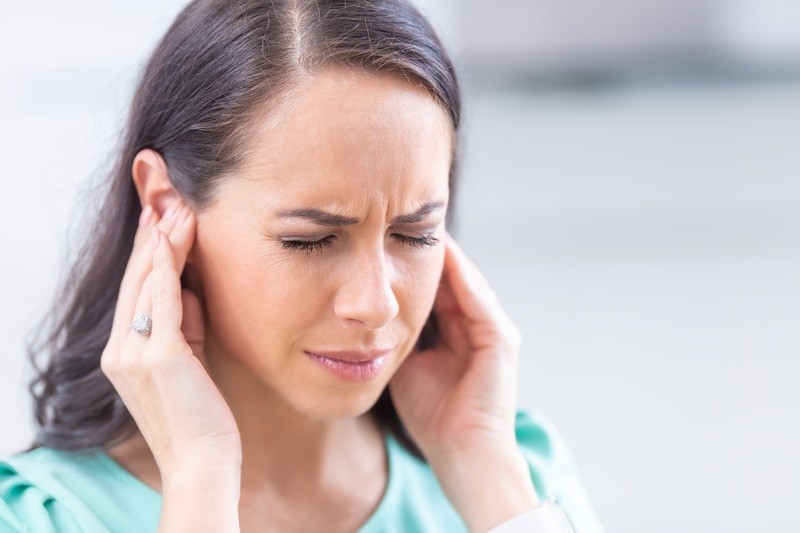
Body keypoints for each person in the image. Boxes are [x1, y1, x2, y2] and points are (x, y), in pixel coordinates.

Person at [0, 0, 604, 531]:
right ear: (165, 206)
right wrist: (199, 477)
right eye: (310, 240)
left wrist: (479, 461)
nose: (377, 305)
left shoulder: (520, 476)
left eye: (415, 233)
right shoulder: (42, 518)